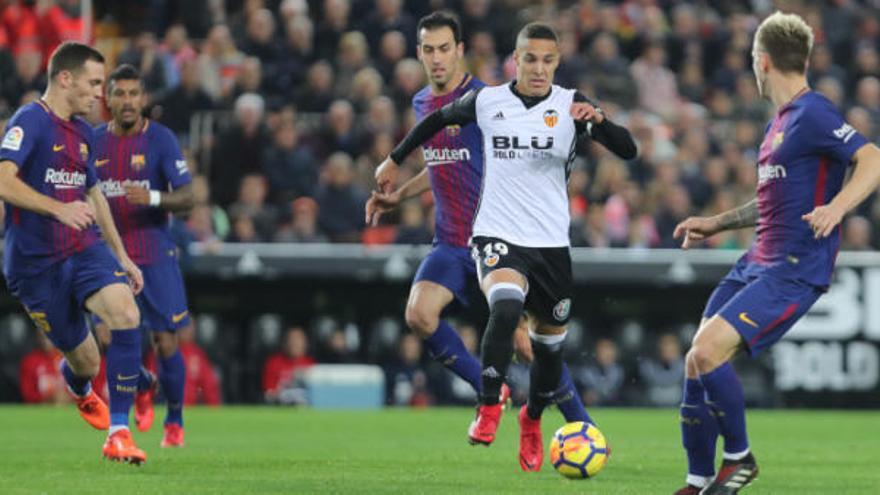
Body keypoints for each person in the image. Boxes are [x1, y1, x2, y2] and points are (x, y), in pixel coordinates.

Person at [372, 21, 636, 471]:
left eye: (443, 48)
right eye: (428, 49)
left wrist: (600, 121)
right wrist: (396, 171)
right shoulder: (470, 102)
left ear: (459, 51)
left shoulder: (562, 102)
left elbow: (627, 149)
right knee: (430, 311)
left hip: (547, 244)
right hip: (478, 237)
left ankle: (557, 422)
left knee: (540, 349)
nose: (436, 58)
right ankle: (490, 401)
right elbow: (441, 163)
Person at [671, 12, 880, 495]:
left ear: (761, 62)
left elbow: (871, 159)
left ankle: (740, 459)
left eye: (751, 62)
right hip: (755, 260)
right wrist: (717, 221)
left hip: (792, 268)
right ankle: (698, 481)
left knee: (706, 351)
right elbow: (770, 200)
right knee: (694, 363)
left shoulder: (814, 113)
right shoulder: (780, 125)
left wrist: (837, 207)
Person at [0, 42, 147, 464]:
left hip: (83, 249)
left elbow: (94, 195)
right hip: (36, 267)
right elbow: (3, 180)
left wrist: (121, 255)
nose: (100, 94)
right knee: (86, 361)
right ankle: (80, 386)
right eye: (94, 83)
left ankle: (119, 435)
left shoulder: (84, 132)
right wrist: (57, 208)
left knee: (125, 312)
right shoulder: (30, 120)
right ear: (65, 79)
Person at [93, 64, 194, 448]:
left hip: (154, 252)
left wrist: (151, 196)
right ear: (108, 99)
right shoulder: (94, 141)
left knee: (166, 342)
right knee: (106, 336)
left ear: (144, 99)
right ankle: (142, 382)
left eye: (134, 94)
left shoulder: (162, 140)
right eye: (120, 94)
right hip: (109, 255)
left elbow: (188, 197)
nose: (128, 101)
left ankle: (175, 419)